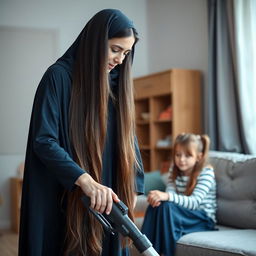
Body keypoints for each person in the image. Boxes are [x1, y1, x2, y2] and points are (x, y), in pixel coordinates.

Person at [18, 9, 144, 256]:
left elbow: (130, 143)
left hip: (106, 197)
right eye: (115, 49)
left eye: (126, 53)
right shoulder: (58, 77)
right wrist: (85, 181)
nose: (120, 59)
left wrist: (133, 187)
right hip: (68, 193)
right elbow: (44, 140)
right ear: (96, 42)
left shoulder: (116, 87)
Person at [141, 133, 217, 256]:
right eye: (178, 155)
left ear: (198, 157)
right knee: (157, 206)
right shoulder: (174, 171)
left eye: (188, 155)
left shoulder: (206, 173)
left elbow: (194, 202)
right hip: (182, 214)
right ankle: (145, 249)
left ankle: (165, 253)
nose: (181, 159)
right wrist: (158, 198)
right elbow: (169, 195)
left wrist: (167, 196)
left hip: (203, 219)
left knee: (166, 206)